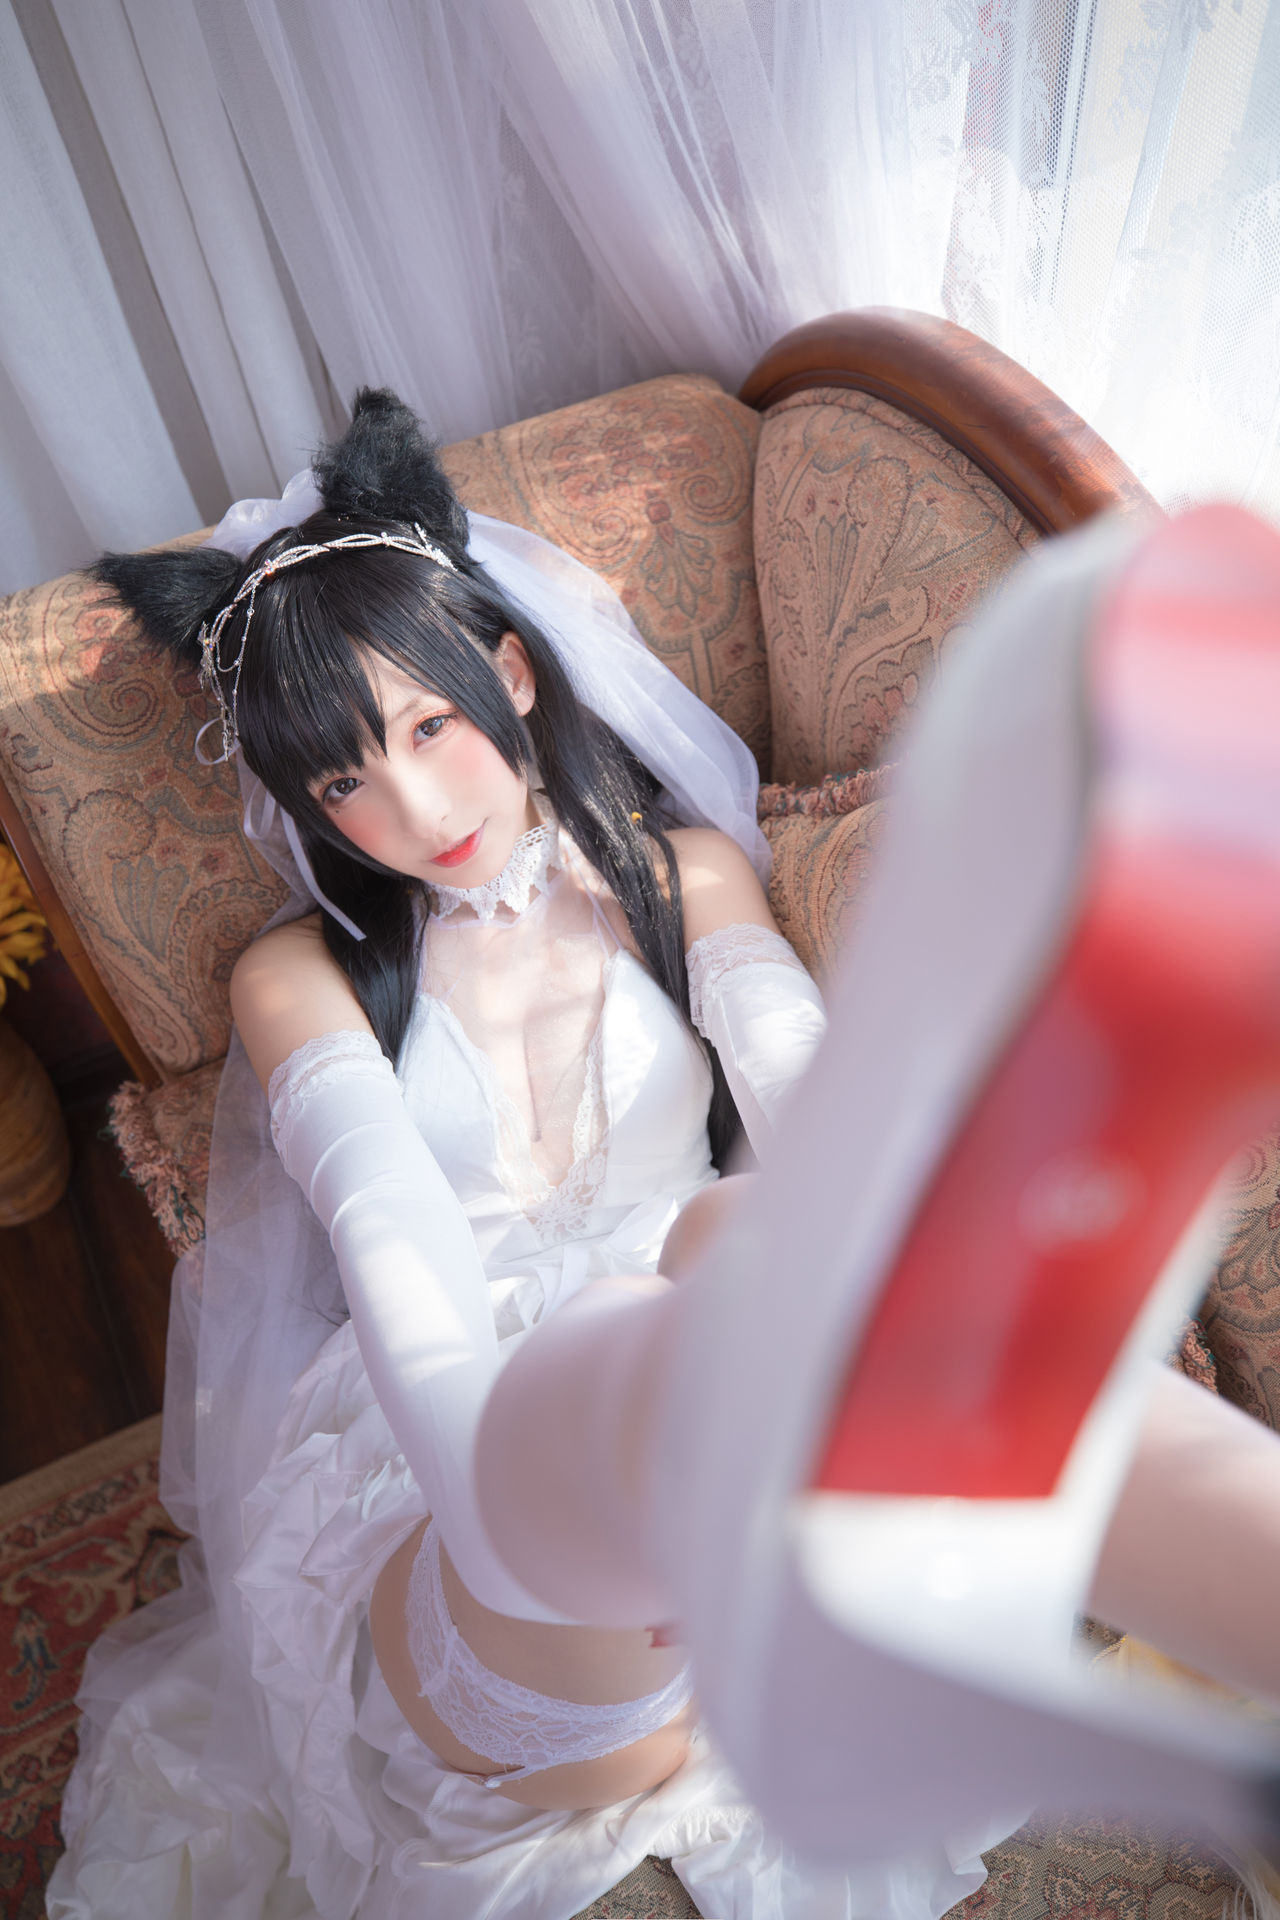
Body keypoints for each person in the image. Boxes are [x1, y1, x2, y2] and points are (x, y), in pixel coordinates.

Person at [45, 395, 1280, 1920]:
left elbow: (806, 1095)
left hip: (775, 1391)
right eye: (342, 782)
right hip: (482, 1480)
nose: (410, 809)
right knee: (662, 1331)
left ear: (508, 672)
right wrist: (491, 1510)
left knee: (742, 1240)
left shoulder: (679, 877)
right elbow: (394, 1243)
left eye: (429, 727)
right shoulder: (298, 977)